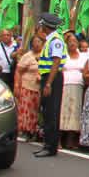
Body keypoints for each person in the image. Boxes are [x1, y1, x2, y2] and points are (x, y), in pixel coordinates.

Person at [33, 13, 67, 158]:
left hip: (52, 78)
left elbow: (56, 62)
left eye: (42, 25)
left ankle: (51, 146)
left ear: (46, 26)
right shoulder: (50, 40)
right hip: (48, 78)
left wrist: (48, 83)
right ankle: (47, 144)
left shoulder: (56, 41)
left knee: (52, 112)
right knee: (46, 111)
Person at [15, 33, 44, 142]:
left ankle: (37, 131)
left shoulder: (46, 56)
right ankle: (28, 131)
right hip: (28, 86)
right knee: (28, 110)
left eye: (39, 42)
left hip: (40, 87)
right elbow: (19, 71)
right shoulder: (27, 56)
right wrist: (17, 85)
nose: (37, 44)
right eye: (35, 42)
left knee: (38, 110)